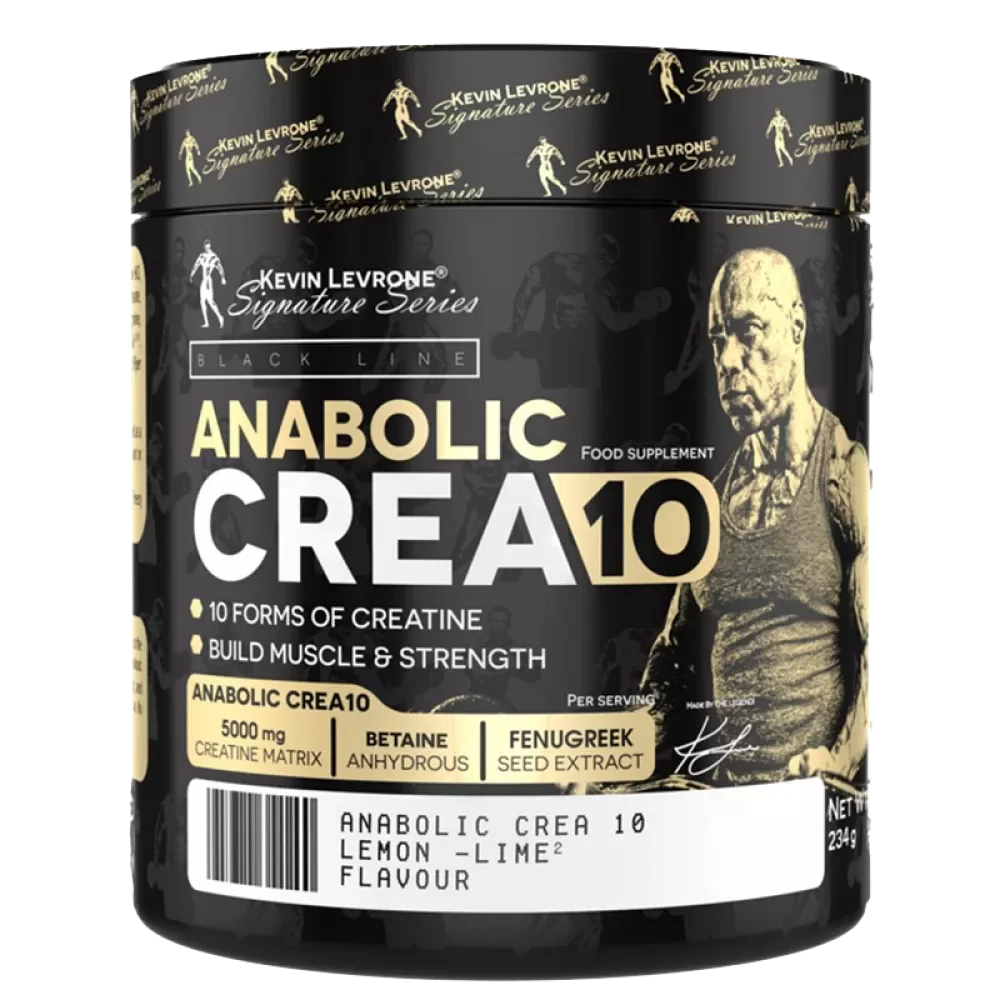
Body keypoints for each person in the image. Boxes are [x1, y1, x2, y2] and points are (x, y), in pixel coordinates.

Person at [639, 248, 870, 788]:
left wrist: (840, 758)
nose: (727, 359)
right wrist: (606, 762)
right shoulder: (714, 500)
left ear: (796, 329)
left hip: (810, 793)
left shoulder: (841, 470)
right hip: (723, 800)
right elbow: (670, 662)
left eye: (748, 332)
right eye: (719, 339)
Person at [504, 234, 670, 388]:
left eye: (607, 265)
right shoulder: (560, 264)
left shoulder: (600, 290)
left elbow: (615, 322)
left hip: (581, 348)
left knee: (588, 389)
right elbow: (527, 289)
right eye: (601, 260)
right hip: (553, 344)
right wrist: (516, 330)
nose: (603, 268)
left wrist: (639, 314)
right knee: (555, 392)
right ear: (593, 253)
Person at [190, 239, 226, 329]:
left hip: (208, 282)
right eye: (206, 247)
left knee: (210, 301)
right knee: (202, 301)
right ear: (204, 247)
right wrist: (191, 275)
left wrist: (223, 278)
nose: (207, 248)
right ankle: (206, 322)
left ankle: (220, 317)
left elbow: (220, 268)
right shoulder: (202, 256)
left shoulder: (214, 257)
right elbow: (196, 265)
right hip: (203, 281)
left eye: (209, 247)